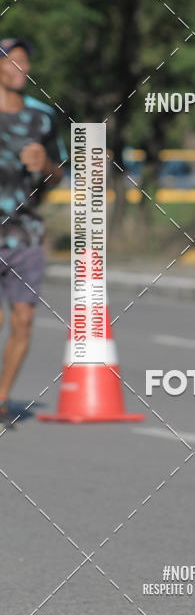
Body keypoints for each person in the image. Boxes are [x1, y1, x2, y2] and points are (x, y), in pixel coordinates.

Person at [0, 38, 66, 428]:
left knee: (22, 321)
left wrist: (45, 164)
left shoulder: (42, 118)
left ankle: (3, 398)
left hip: (26, 232)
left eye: (25, 59)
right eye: (12, 60)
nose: (21, 66)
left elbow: (58, 177)